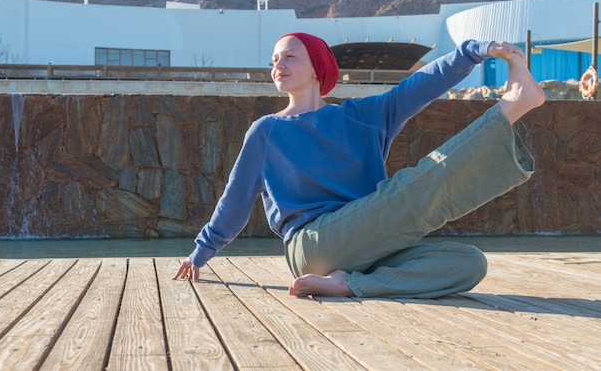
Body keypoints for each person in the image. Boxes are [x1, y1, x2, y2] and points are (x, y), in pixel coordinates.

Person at [172, 31, 545, 298]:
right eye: (274, 60)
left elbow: (422, 84)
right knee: (405, 191)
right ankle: (512, 104)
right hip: (313, 246)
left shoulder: (364, 116)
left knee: (468, 262)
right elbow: (234, 203)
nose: (278, 65)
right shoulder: (267, 131)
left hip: (370, 248)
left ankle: (350, 285)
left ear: (317, 67)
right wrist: (200, 253)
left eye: (289, 56)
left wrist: (474, 51)